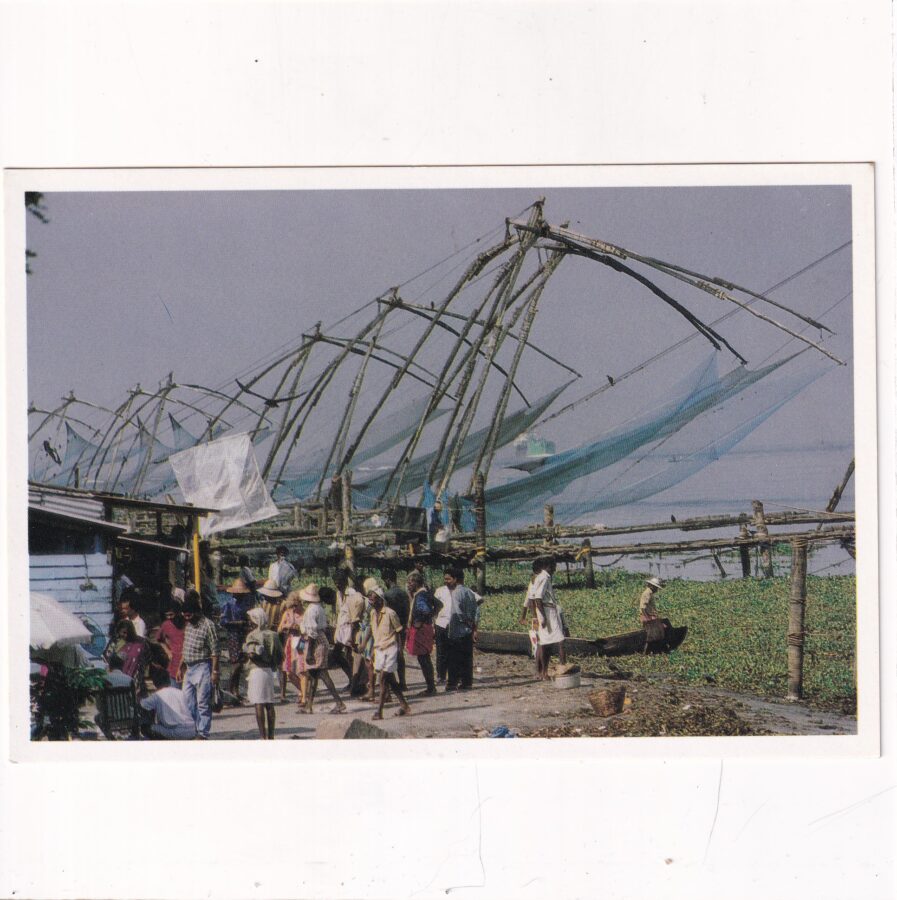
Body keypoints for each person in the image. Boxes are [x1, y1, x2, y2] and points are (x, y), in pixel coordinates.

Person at [298, 583, 346, 714]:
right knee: (313, 674)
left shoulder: (311, 610)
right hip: (319, 639)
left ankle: (339, 702)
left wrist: (309, 652)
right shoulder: (318, 608)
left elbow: (312, 633)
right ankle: (309, 705)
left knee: (322, 673)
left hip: (315, 642)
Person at [178, 591, 220, 739]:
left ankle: (203, 733)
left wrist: (215, 672)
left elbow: (215, 651)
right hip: (189, 668)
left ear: (196, 612)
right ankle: (192, 730)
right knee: (187, 701)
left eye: (189, 616)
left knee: (202, 703)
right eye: (185, 616)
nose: (187, 618)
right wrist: (181, 667)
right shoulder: (188, 625)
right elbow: (186, 646)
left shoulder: (208, 625)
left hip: (203, 667)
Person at [368, 586, 411, 720]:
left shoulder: (390, 613)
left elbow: (399, 632)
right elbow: (374, 632)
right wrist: (371, 649)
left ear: (380, 600)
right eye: (370, 598)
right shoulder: (372, 614)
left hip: (391, 648)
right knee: (391, 680)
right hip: (379, 649)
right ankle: (404, 705)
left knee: (383, 679)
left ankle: (379, 711)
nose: (371, 601)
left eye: (373, 598)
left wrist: (399, 651)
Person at [521, 557, 567, 680]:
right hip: (545, 612)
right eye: (554, 567)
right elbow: (536, 599)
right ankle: (562, 669)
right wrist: (542, 617)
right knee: (559, 641)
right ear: (548, 566)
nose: (555, 570)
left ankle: (543, 672)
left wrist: (532, 616)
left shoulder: (537, 578)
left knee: (544, 644)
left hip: (542, 613)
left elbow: (530, 599)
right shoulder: (543, 578)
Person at [242, 607, 283, 739]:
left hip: (256, 671)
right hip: (269, 671)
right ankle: (271, 736)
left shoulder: (252, 636)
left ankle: (263, 736)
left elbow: (251, 654)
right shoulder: (274, 635)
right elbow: (280, 655)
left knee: (259, 704)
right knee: (269, 703)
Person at [442, 567, 479, 691]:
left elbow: (458, 611)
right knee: (467, 658)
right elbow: (476, 610)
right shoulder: (470, 592)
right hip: (467, 631)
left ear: (455, 579)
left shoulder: (456, 592)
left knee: (454, 658)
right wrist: (473, 625)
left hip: (458, 630)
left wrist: (466, 621)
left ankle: (452, 683)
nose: (446, 582)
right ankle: (466, 683)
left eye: (448, 579)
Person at [220, 577, 256, 703]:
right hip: (233, 635)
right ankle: (231, 689)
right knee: (236, 663)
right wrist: (237, 623)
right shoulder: (228, 605)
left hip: (243, 634)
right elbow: (223, 622)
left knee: (241, 663)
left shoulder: (245, 604)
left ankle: (235, 690)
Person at [332, 568, 365, 694]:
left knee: (354, 656)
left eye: (339, 582)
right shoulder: (338, 594)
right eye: (335, 582)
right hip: (342, 628)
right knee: (342, 655)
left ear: (345, 581)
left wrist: (352, 630)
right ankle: (353, 679)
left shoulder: (352, 593)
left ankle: (358, 683)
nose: (337, 584)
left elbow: (355, 613)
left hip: (351, 627)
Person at [404, 570, 437, 695]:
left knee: (423, 658)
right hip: (425, 627)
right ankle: (431, 686)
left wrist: (421, 621)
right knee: (424, 657)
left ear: (416, 583)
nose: (408, 585)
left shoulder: (420, 596)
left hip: (421, 629)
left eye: (410, 582)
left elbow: (426, 610)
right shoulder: (425, 593)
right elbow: (439, 605)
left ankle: (431, 687)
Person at [139, 671, 197, 739]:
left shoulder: (157, 695)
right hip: (192, 729)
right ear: (169, 681)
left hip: (177, 732)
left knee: (147, 728)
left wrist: (139, 695)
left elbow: (142, 705)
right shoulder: (180, 692)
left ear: (154, 683)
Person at [381, 566, 410, 691]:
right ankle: (403, 682)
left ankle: (389, 684)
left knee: (388, 656)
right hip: (402, 627)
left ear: (387, 580)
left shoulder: (387, 595)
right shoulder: (404, 593)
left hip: (390, 628)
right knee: (399, 654)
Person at [278, 590, 307, 706]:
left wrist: (299, 628)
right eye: (292, 606)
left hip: (302, 641)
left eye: (296, 605)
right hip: (290, 642)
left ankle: (304, 697)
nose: (294, 608)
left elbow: (308, 630)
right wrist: (287, 626)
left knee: (301, 670)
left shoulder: (305, 613)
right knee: (288, 671)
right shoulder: (288, 613)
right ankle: (302, 690)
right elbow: (279, 629)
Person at [158, 603, 186, 686]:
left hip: (186, 662)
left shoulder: (186, 623)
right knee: (175, 689)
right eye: (167, 615)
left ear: (178, 613)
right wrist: (168, 651)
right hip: (174, 663)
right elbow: (159, 639)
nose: (169, 617)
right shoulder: (166, 624)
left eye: (171, 614)